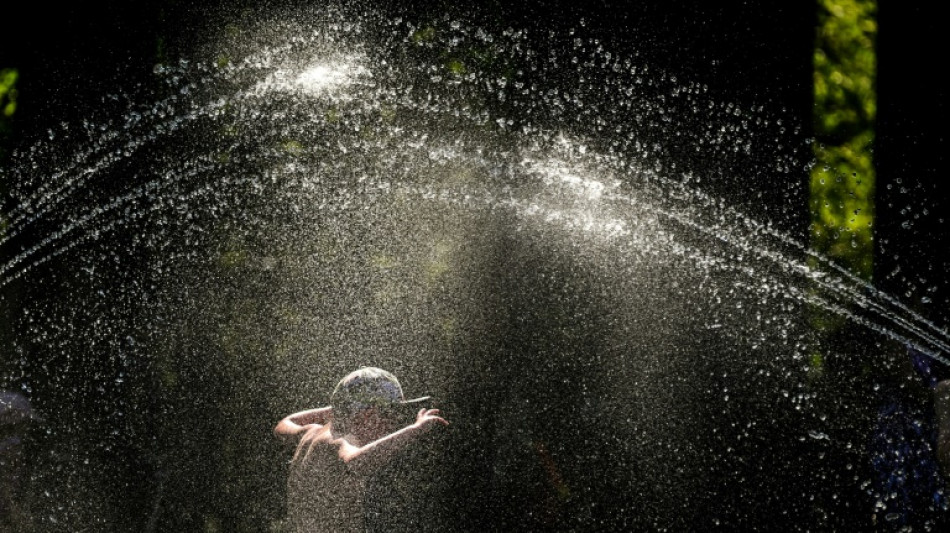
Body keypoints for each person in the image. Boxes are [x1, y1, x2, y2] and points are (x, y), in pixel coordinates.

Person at [274, 367, 448, 532]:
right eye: (389, 413)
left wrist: (338, 409)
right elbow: (356, 463)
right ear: (366, 413)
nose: (393, 422)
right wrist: (415, 429)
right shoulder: (339, 440)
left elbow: (284, 425)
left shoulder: (311, 433)